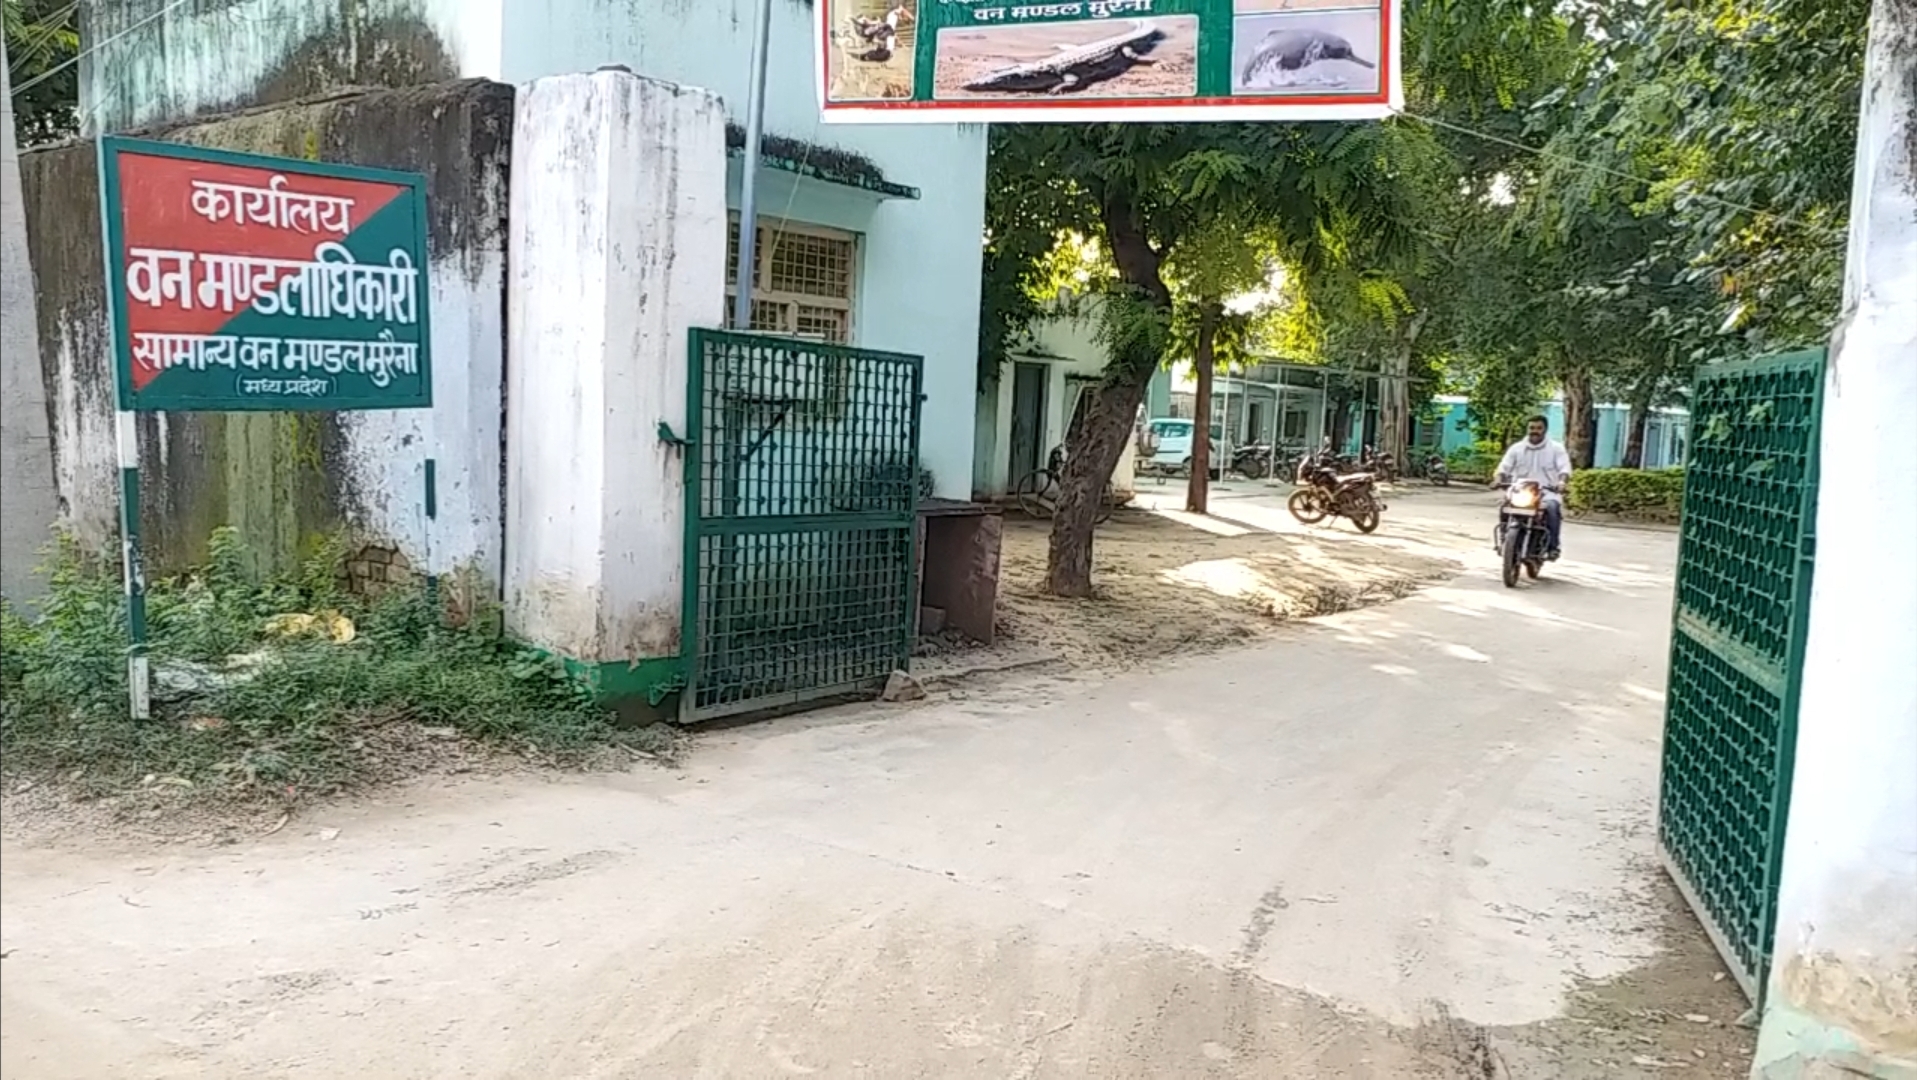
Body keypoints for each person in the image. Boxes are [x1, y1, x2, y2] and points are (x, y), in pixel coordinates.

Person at [1494, 414, 1572, 557]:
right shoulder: (1516, 449)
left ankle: (1553, 547)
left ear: (1545, 430)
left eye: (1539, 428)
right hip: (1520, 491)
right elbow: (1503, 467)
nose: (1534, 431)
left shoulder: (1556, 449)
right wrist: (1498, 479)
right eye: (1531, 428)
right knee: (1504, 507)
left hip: (1547, 492)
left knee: (1553, 509)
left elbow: (1564, 469)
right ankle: (1504, 539)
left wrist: (1561, 483)